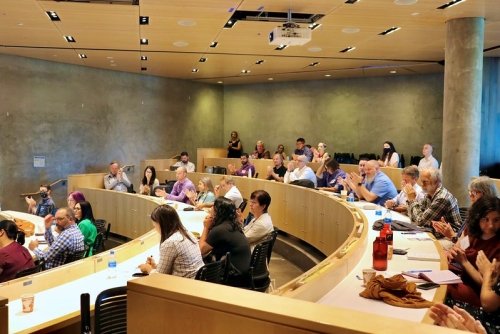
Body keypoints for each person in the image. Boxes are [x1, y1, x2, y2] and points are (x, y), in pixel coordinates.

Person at [446, 196, 500, 308]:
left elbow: (486, 283)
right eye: (485, 219)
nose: (491, 225)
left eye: (496, 220)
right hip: (460, 277)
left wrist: (464, 263)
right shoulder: (471, 229)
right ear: (477, 217)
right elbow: (457, 247)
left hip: (478, 292)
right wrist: (453, 252)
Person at [138, 205, 204, 278]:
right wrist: (156, 266)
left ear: (161, 224)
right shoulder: (187, 233)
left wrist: (148, 268)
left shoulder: (171, 242)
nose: (155, 229)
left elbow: (159, 277)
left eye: (154, 225)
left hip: (183, 285)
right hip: (197, 280)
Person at [199, 197, 251, 287]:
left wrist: (206, 227)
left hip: (234, 278)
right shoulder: (232, 225)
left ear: (217, 212)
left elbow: (201, 250)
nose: (211, 209)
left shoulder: (220, 230)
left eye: (213, 208)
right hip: (244, 274)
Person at [433, 176, 498, 242]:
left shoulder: (483, 216)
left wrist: (451, 235)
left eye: (475, 192)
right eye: (470, 191)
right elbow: (465, 240)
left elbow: (468, 246)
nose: (471, 195)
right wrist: (448, 231)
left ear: (486, 194)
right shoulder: (473, 212)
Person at [405, 167, 462, 237]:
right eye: (421, 181)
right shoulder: (429, 194)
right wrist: (411, 201)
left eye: (425, 182)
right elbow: (414, 217)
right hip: (432, 232)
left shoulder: (442, 198)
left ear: (436, 181)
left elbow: (420, 221)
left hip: (450, 238)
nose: (422, 185)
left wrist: (412, 200)